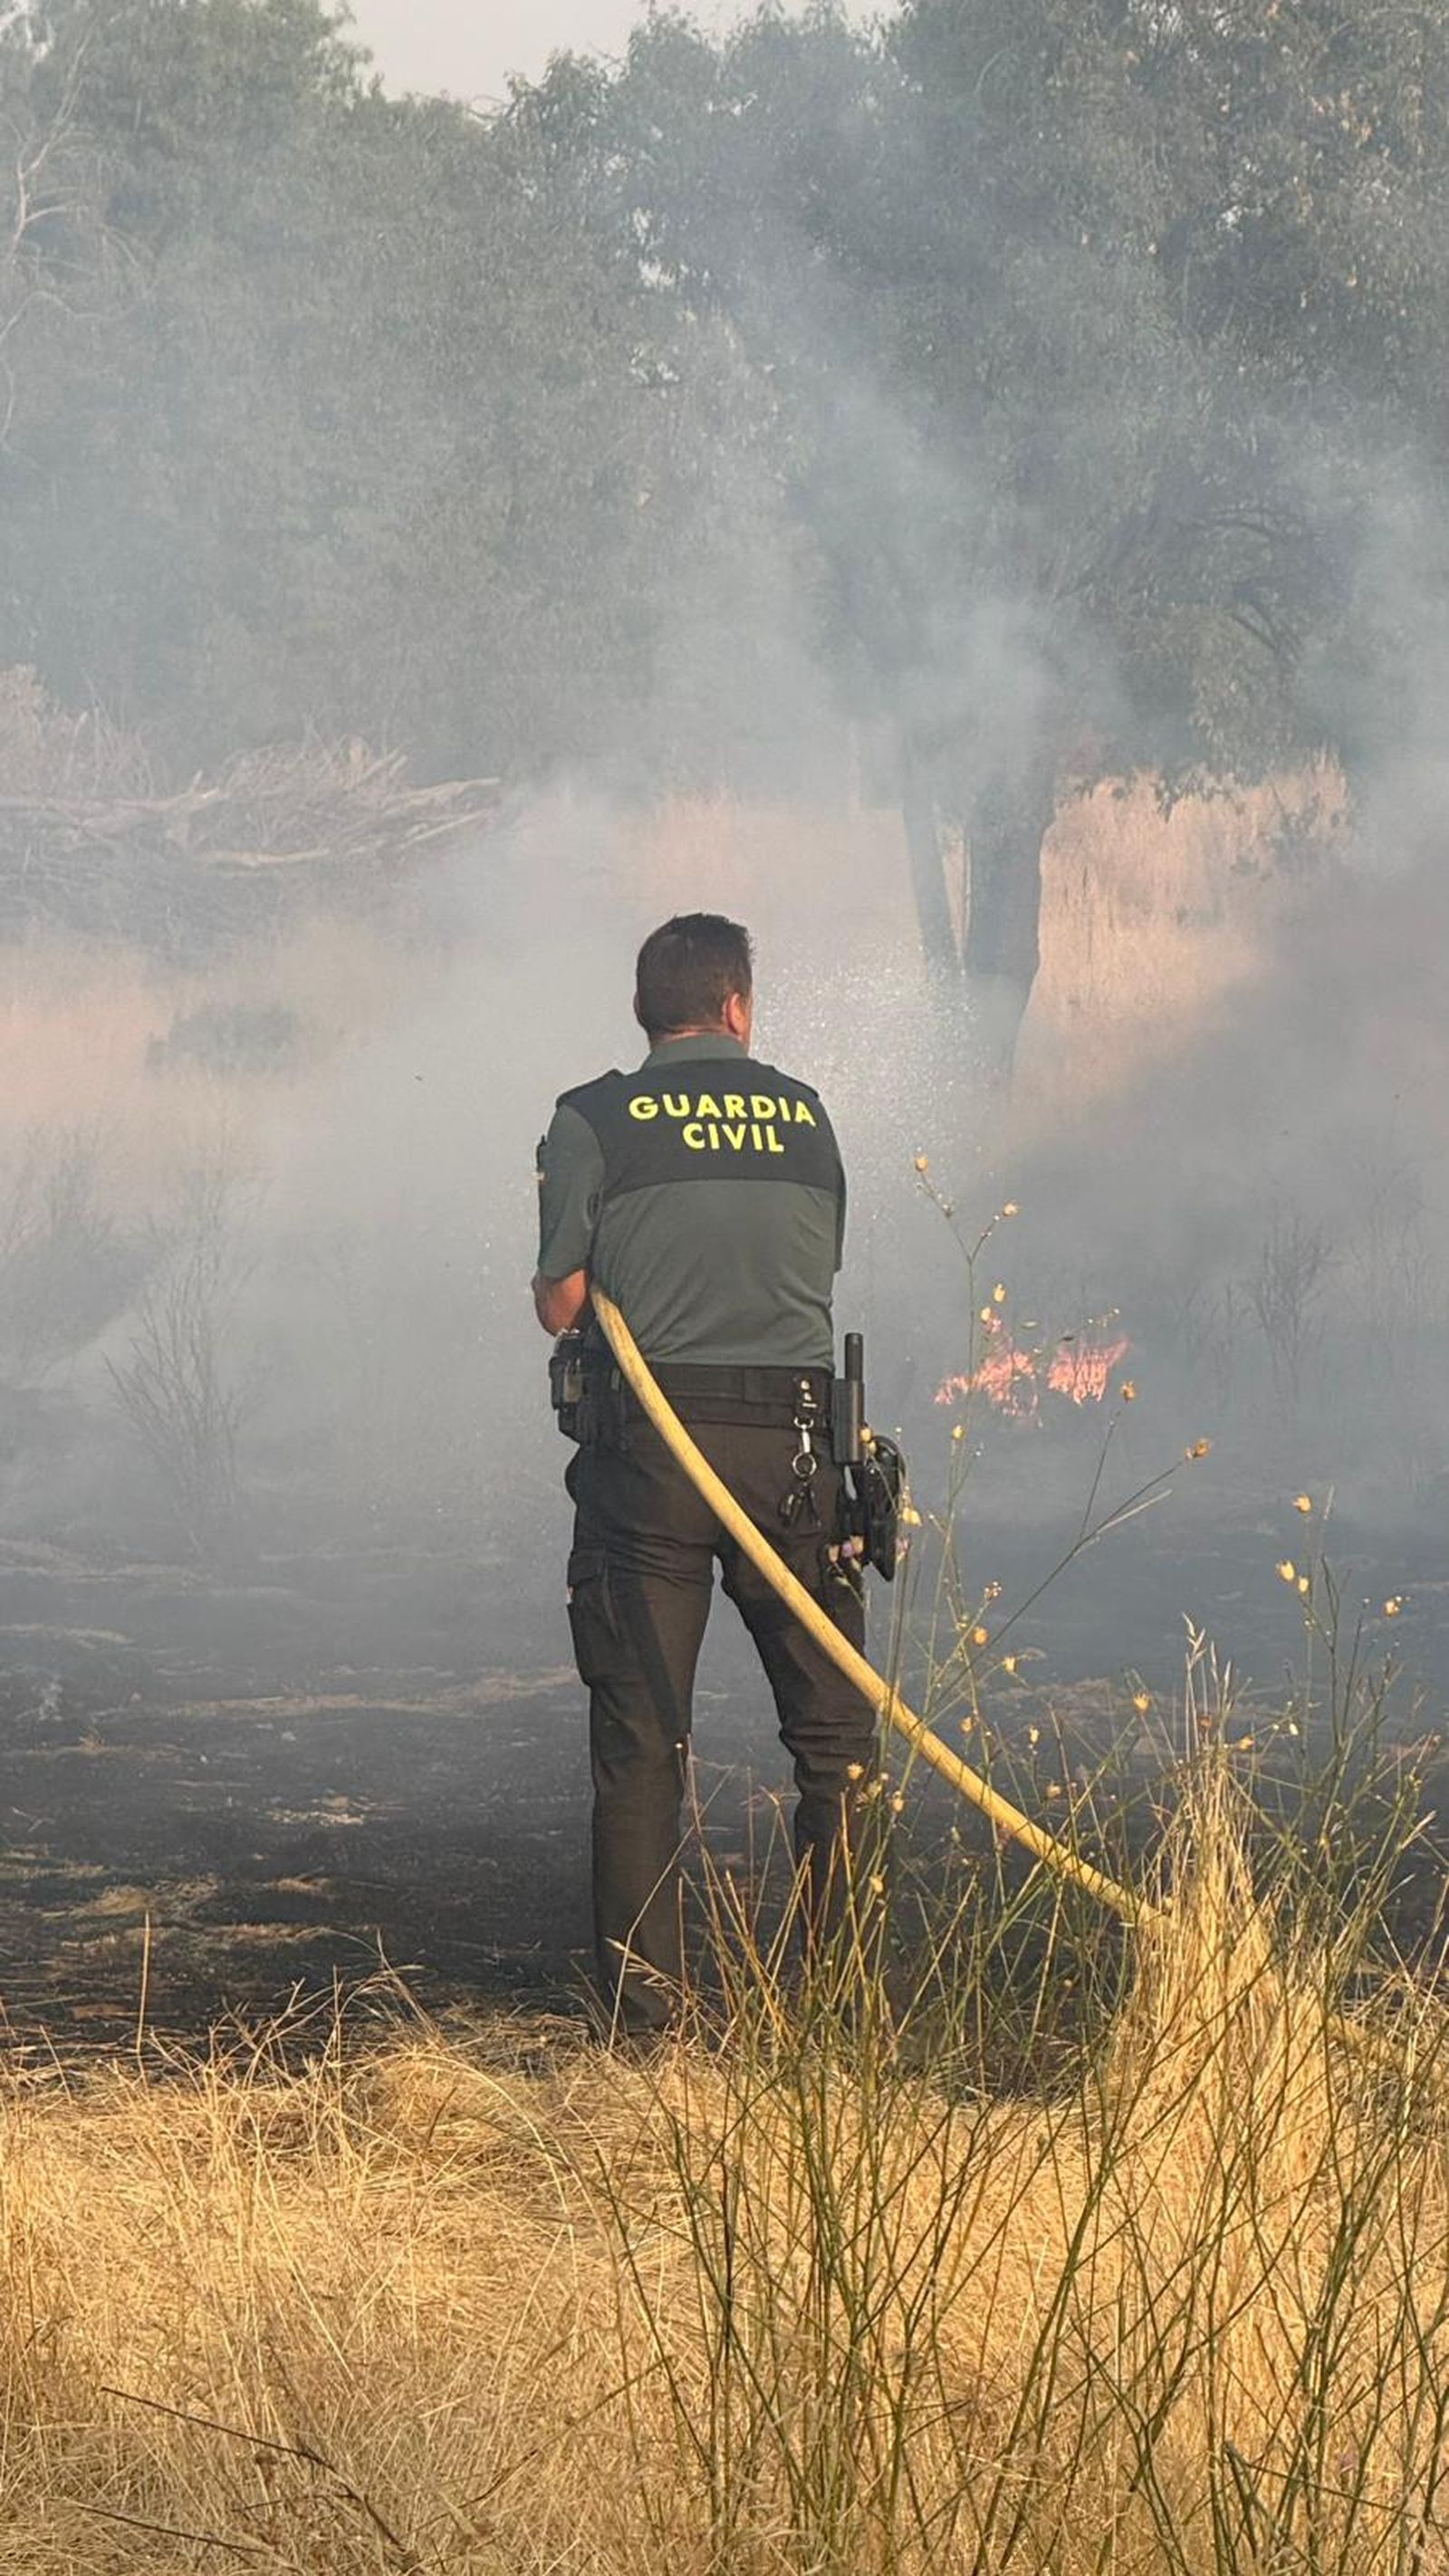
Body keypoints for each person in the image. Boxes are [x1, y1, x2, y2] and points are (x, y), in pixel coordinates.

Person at [533, 912, 877, 2036]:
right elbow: (810, 1272)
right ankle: (837, 2017)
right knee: (835, 1743)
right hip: (796, 1454)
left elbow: (562, 1303)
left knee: (642, 1744)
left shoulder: (591, 1119)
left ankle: (648, 2034)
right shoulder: (807, 1114)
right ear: (737, 1007)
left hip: (651, 1460)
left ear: (646, 1012)